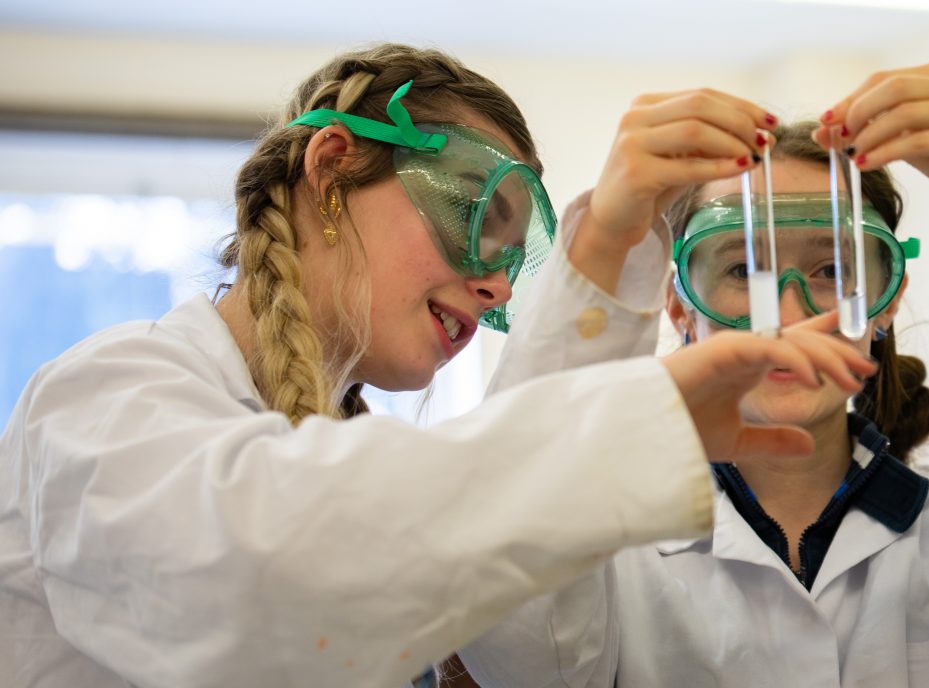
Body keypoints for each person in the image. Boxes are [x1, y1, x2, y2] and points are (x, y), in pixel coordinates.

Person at [0, 44, 876, 688]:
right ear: (333, 167)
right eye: (474, 218)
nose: (493, 282)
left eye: (511, 253)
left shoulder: (362, 458)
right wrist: (628, 424)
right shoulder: (103, 396)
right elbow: (260, 569)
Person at [457, 64, 929, 687]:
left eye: (830, 269)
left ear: (885, 302)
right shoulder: (604, 566)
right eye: (741, 267)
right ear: (677, 304)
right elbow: (505, 593)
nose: (786, 313)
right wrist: (607, 240)